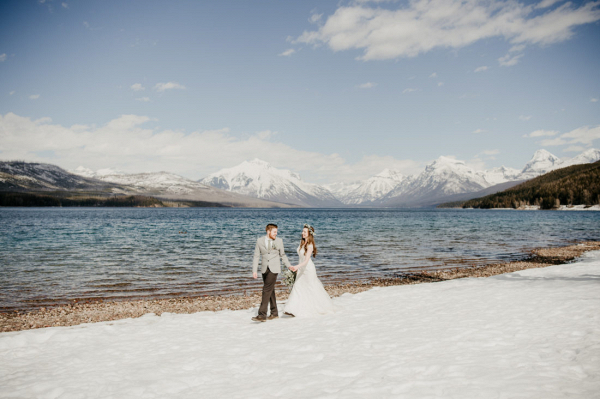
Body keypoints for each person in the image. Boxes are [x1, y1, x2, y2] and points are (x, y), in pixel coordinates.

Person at [284, 224, 334, 317]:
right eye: (302, 231)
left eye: (304, 232)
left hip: (308, 269)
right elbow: (301, 257)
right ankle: (292, 309)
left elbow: (306, 261)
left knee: (311, 288)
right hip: (301, 268)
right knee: (297, 286)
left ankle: (318, 307)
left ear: (309, 234)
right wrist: (296, 268)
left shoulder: (310, 245)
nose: (302, 233)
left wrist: (297, 266)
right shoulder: (302, 242)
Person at [251, 223, 291, 322]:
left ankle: (262, 314)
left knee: (266, 289)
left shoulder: (279, 241)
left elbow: (283, 255)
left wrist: (289, 266)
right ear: (268, 231)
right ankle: (274, 313)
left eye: (276, 232)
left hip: (274, 268)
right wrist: (254, 270)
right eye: (274, 232)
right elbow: (256, 256)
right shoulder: (259, 241)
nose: (276, 234)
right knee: (270, 290)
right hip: (264, 268)